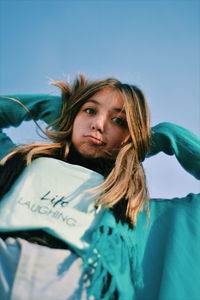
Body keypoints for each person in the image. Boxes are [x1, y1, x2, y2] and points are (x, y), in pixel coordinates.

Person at [0, 74, 199, 300]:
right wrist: (50, 108)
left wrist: (168, 137)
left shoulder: (132, 209)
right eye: (90, 111)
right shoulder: (17, 162)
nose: (97, 124)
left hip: (76, 284)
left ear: (131, 136)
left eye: (119, 121)